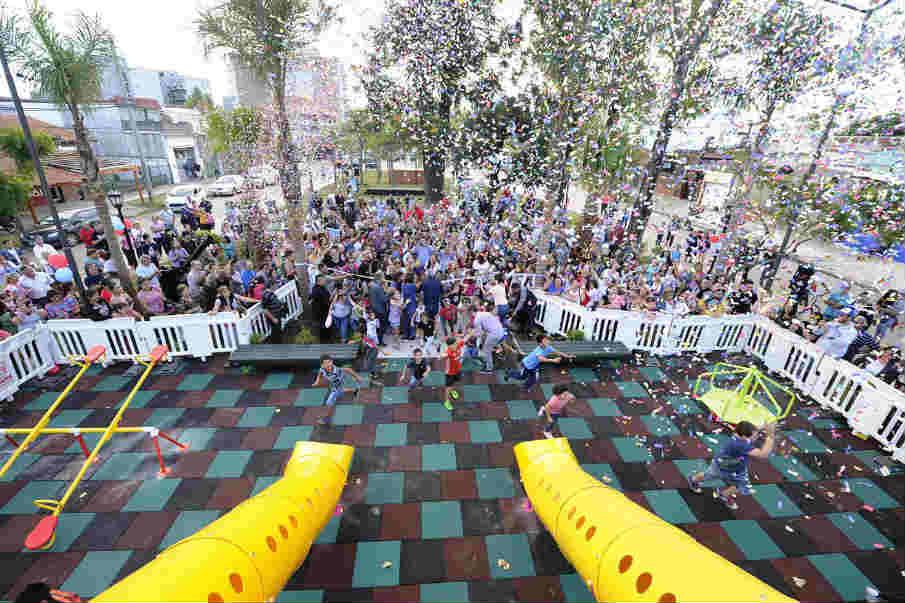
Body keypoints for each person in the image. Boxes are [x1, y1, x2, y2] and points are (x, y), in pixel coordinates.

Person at [687, 420, 776, 510]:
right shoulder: (741, 444)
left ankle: (723, 494)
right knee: (710, 476)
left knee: (740, 484)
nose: (756, 436)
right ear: (745, 436)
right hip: (723, 467)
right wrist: (770, 435)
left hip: (731, 466)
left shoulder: (738, 435)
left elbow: (751, 434)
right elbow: (763, 454)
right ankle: (693, 480)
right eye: (754, 434)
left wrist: (762, 427)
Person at [505, 334, 574, 391]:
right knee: (522, 377)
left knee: (534, 378)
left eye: (547, 340)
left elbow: (558, 352)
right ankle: (510, 373)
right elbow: (541, 359)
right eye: (545, 340)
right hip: (526, 365)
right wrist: (553, 360)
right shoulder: (539, 351)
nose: (547, 341)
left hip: (534, 366)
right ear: (540, 343)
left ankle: (525, 387)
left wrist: (568, 356)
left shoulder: (548, 347)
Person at [311, 353, 362, 425]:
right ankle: (354, 391)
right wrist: (317, 381)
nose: (328, 365)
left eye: (329, 362)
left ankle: (325, 419)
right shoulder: (322, 369)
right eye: (325, 363)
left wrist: (357, 377)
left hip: (339, 384)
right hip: (334, 386)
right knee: (340, 391)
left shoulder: (337, 370)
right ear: (322, 365)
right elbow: (320, 373)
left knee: (329, 403)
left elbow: (348, 370)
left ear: (332, 362)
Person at [472, 302, 505, 374]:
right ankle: (498, 353)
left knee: (486, 350)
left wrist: (471, 335)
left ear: (472, 312)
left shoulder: (476, 320)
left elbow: (479, 334)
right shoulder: (484, 313)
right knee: (489, 345)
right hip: (501, 331)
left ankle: (489, 369)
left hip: (494, 334)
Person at [443, 334, 466, 411]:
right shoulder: (448, 352)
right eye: (454, 344)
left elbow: (465, 339)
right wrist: (442, 355)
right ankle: (446, 402)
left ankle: (453, 391)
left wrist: (472, 332)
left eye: (456, 343)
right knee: (448, 388)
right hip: (449, 373)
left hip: (457, 370)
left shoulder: (458, 346)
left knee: (455, 382)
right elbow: (443, 355)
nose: (456, 345)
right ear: (449, 346)